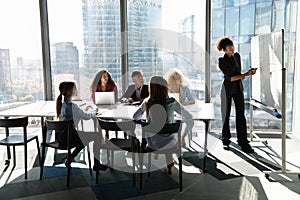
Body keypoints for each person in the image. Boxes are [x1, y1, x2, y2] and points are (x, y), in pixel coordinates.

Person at [133, 76, 194, 174]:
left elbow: (135, 117)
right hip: (170, 144)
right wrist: (174, 118)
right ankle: (170, 166)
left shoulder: (147, 102)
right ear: (165, 88)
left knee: (160, 136)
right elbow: (188, 116)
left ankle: (157, 154)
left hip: (152, 143)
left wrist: (147, 118)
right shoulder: (172, 102)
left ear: (151, 89)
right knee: (169, 137)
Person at [216, 37, 257, 153]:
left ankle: (243, 142)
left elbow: (238, 74)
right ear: (224, 49)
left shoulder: (237, 56)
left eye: (232, 47)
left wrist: (247, 73)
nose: (232, 49)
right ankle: (225, 140)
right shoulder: (221, 61)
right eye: (229, 48)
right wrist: (246, 74)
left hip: (238, 88)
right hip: (227, 89)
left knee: (241, 115)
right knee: (226, 115)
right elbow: (231, 78)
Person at [56, 81, 108, 171]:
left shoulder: (63, 104)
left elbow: (79, 113)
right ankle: (96, 164)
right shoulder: (72, 105)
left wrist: (83, 110)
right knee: (96, 136)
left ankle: (71, 157)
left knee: (84, 137)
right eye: (74, 88)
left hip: (61, 137)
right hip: (68, 138)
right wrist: (95, 111)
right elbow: (86, 116)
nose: (76, 90)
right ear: (68, 91)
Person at [167, 69, 195, 146]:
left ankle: (183, 137)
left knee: (191, 122)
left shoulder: (184, 88)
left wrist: (186, 103)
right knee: (177, 122)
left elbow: (192, 100)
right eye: (176, 78)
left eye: (179, 78)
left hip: (182, 111)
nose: (178, 80)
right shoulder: (169, 89)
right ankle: (176, 141)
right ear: (172, 80)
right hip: (173, 113)